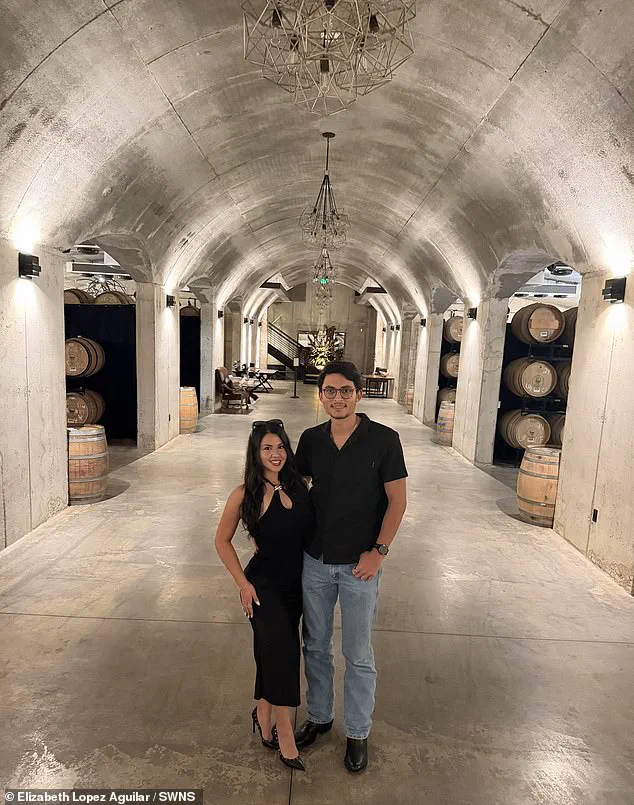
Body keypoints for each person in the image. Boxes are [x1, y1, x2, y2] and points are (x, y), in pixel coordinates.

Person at [294, 361, 408, 773]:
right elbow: (297, 492)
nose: (337, 398)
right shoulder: (311, 440)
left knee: (358, 653)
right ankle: (320, 717)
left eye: (345, 391)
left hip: (361, 565)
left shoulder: (384, 439)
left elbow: (397, 501)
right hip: (316, 559)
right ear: (321, 395)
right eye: (330, 391)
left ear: (358, 394)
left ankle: (358, 731)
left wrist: (379, 551)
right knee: (315, 645)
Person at [214, 419, 314, 770]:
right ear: (255, 454)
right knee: (283, 655)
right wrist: (243, 583)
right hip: (262, 587)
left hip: (296, 586)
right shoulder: (244, 494)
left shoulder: (300, 486)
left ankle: (262, 711)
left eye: (281, 447)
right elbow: (221, 541)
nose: (275, 454)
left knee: (270, 654)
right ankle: (284, 732)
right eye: (267, 448)